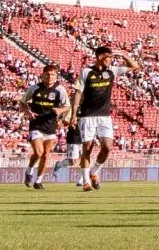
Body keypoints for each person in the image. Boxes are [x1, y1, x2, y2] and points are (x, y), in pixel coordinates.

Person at [73, 46, 142, 192]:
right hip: (87, 116)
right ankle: (85, 182)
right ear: (99, 57)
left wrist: (122, 54)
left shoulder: (112, 71)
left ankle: (93, 172)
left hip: (105, 116)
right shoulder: (86, 72)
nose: (110, 60)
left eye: (111, 58)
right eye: (108, 57)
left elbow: (134, 66)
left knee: (107, 147)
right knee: (87, 148)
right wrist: (73, 114)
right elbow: (78, 93)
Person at [23, 64, 68, 190]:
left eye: (53, 74)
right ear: (42, 75)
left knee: (46, 154)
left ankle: (38, 180)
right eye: (47, 74)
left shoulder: (60, 90)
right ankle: (29, 170)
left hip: (50, 127)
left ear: (56, 76)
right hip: (36, 125)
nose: (50, 77)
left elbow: (67, 106)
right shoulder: (34, 88)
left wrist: (60, 111)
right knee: (38, 152)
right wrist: (28, 112)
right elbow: (22, 103)